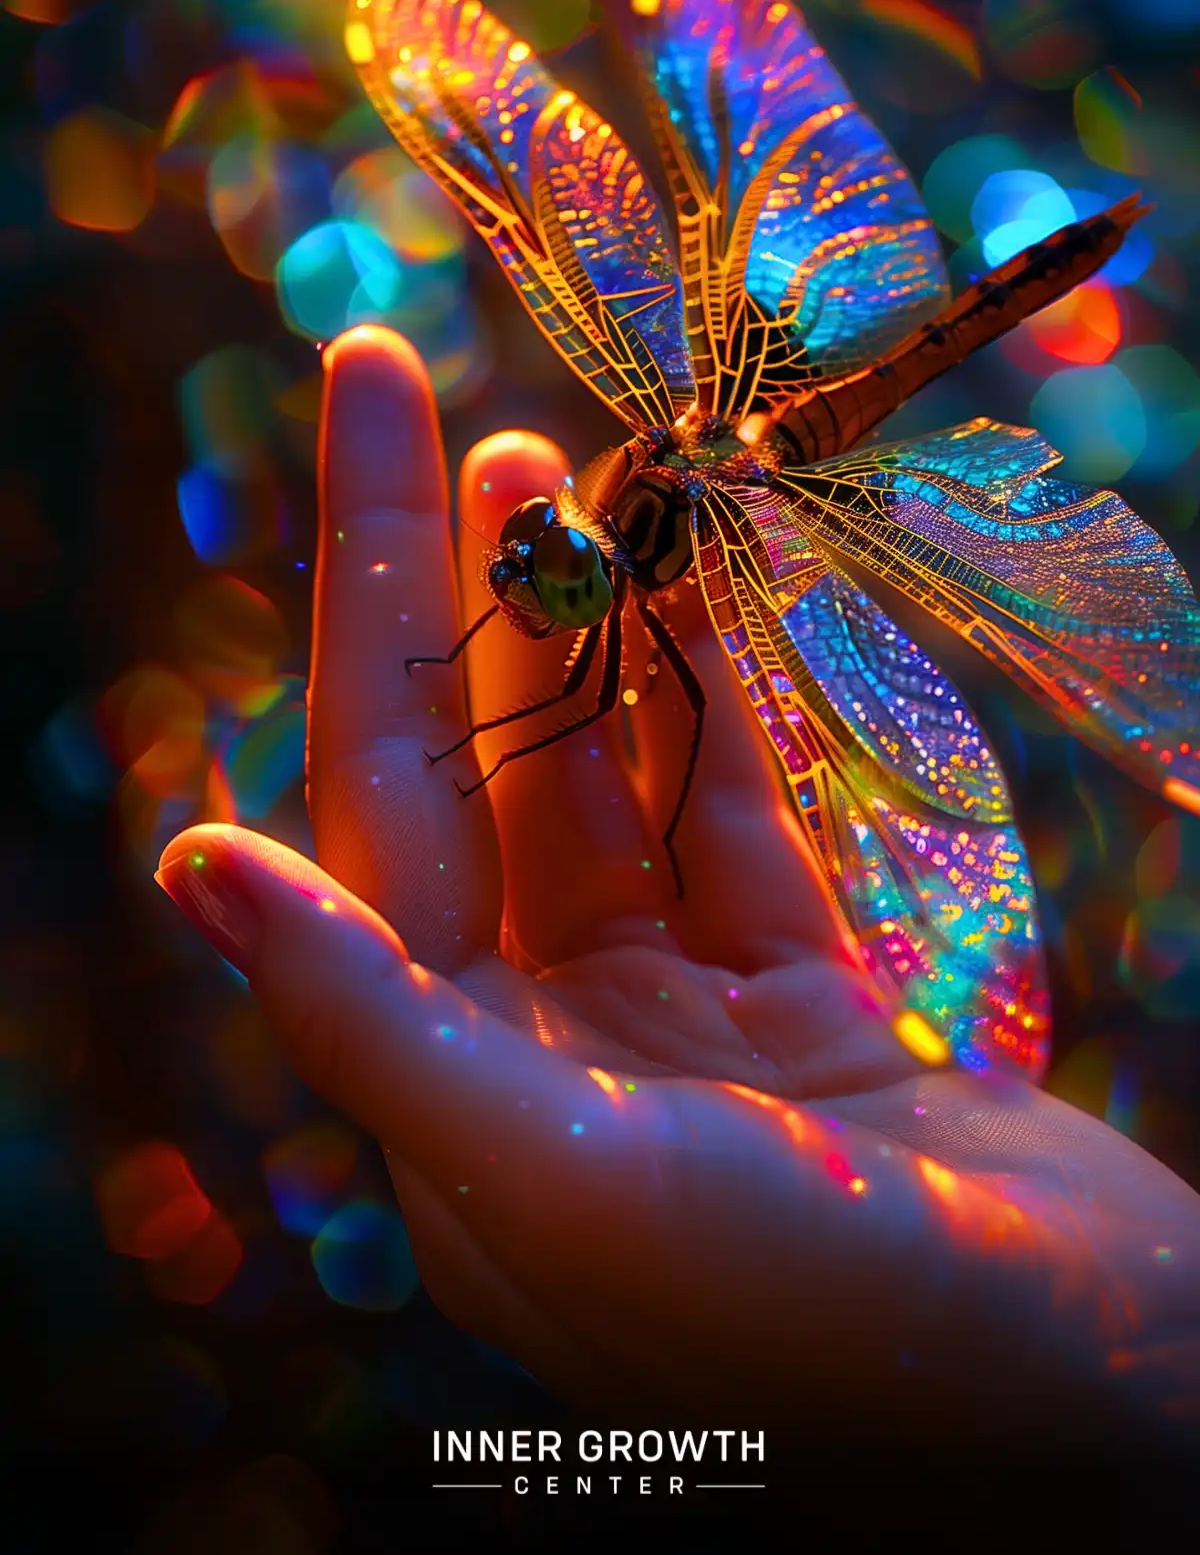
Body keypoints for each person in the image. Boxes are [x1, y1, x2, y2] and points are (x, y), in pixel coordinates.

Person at [156, 324, 1200, 1463]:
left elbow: (605, 709)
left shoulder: (696, 558)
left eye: (551, 579)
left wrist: (487, 758)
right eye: (531, 558)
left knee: (680, 707)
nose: (524, 583)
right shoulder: (610, 521)